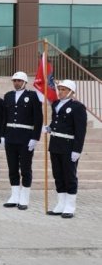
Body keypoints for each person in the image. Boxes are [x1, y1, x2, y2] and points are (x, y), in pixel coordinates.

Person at [2, 71, 43, 210]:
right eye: (14, 80)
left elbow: (38, 118)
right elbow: (4, 118)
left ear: (25, 82)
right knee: (12, 168)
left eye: (19, 81)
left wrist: (35, 137)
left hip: (25, 137)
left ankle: (24, 197)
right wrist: (2, 135)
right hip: (10, 137)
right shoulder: (8, 96)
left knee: (25, 168)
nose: (16, 83)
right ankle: (14, 196)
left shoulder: (32, 96)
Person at [47, 79, 87, 219]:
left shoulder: (78, 107)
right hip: (55, 144)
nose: (60, 92)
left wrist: (77, 150)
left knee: (69, 176)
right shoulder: (56, 104)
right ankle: (60, 204)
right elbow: (56, 121)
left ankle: (70, 206)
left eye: (64, 89)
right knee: (58, 175)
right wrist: (49, 128)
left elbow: (80, 131)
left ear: (71, 91)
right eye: (60, 89)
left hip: (69, 146)